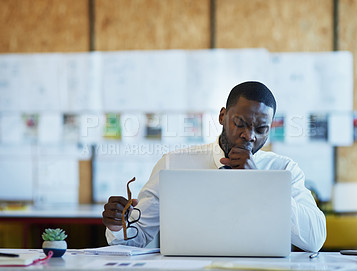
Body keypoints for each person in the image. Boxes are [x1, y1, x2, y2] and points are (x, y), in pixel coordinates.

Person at [102, 81, 327, 252]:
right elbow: (138, 237)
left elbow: (315, 240)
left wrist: (260, 183)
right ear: (222, 116)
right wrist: (117, 225)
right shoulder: (174, 165)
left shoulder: (284, 170)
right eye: (240, 123)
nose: (248, 135)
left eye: (261, 129)